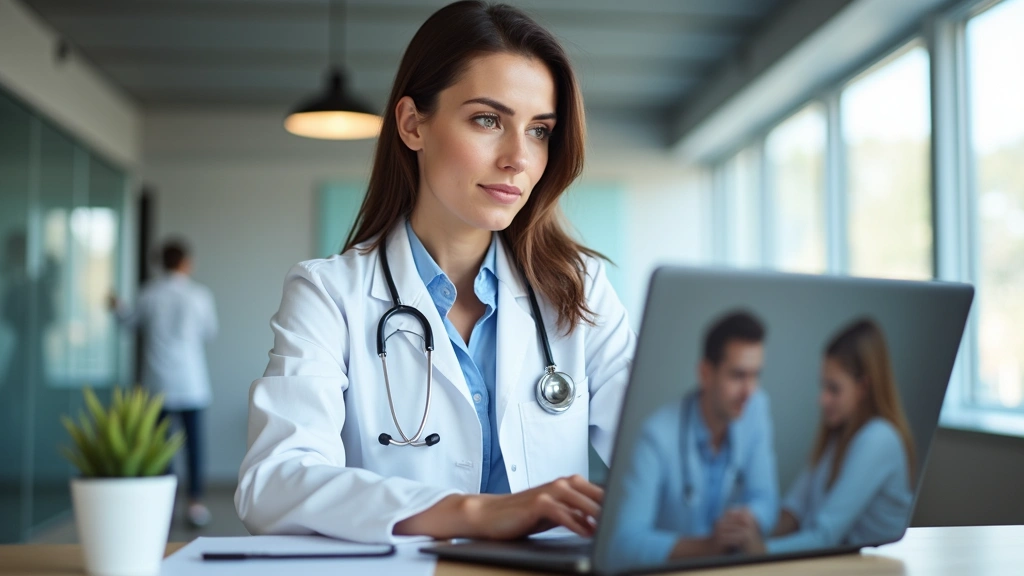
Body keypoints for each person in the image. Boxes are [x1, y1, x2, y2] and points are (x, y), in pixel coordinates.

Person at [234, 1, 635, 544]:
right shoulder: (329, 294)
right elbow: (274, 484)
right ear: (412, 124)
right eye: (488, 120)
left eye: (540, 130)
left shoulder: (579, 288)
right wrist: (472, 514)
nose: (519, 157)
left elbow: (659, 454)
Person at [718, 318, 915, 554]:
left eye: (834, 389)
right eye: (823, 387)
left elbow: (826, 536)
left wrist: (760, 550)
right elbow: (793, 511)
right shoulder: (837, 437)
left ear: (863, 387)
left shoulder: (879, 439)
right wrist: (747, 526)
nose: (822, 400)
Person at [609, 311, 778, 566]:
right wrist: (707, 546)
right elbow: (624, 543)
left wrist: (746, 522)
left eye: (755, 375)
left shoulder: (756, 409)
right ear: (705, 373)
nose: (749, 391)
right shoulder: (656, 435)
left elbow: (766, 499)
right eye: (737, 376)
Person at [110, 239, 218, 528]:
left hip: (157, 382)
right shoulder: (200, 295)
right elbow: (210, 331)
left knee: (159, 446)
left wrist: (117, 306)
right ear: (185, 262)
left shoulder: (148, 294)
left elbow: (129, 323)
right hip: (192, 381)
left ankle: (164, 505)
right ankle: (195, 504)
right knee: (194, 445)